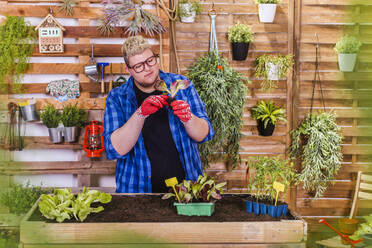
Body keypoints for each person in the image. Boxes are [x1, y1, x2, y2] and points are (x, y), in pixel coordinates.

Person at [103, 35, 214, 193]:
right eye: (139, 66)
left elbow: (204, 134)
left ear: (156, 58)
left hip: (188, 190)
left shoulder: (182, 85)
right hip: (137, 191)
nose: (147, 68)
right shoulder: (117, 98)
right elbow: (115, 150)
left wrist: (188, 118)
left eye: (150, 61)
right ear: (128, 70)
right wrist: (140, 114)